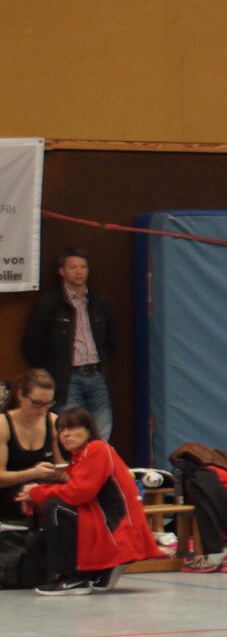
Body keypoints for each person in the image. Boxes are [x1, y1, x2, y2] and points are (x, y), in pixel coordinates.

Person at [19, 407, 156, 595]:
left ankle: (73, 578)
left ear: (89, 430)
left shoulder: (97, 448)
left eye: (73, 427)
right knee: (52, 503)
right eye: (61, 430)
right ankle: (98, 569)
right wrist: (37, 491)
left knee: (56, 507)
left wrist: (36, 492)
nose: (66, 434)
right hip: (111, 523)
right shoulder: (81, 457)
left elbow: (79, 492)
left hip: (115, 528)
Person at [20, 247, 118, 444]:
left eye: (83, 267)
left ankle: (95, 463)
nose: (79, 272)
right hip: (67, 378)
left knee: (102, 431)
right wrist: (52, 370)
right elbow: (31, 345)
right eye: (73, 267)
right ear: (62, 271)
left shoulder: (99, 303)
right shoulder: (48, 304)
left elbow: (111, 341)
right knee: (72, 432)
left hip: (97, 374)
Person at [2, 368, 64, 528]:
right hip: (9, 494)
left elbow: (62, 467)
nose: (42, 410)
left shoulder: (53, 422)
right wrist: (33, 473)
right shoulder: (3, 425)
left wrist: (62, 473)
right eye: (37, 403)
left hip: (40, 490)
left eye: (48, 404)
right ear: (21, 395)